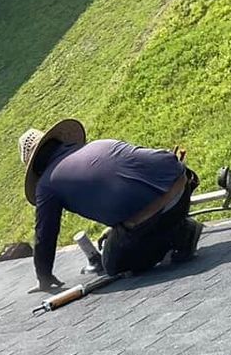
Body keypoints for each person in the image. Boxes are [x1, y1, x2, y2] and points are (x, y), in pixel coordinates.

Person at [18, 120, 201, 292]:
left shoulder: (47, 185)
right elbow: (131, 182)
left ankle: (180, 234)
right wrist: (116, 227)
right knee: (128, 232)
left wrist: (44, 276)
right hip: (184, 183)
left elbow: (45, 234)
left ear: (36, 167)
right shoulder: (98, 145)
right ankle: (174, 226)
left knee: (113, 264)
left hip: (159, 214)